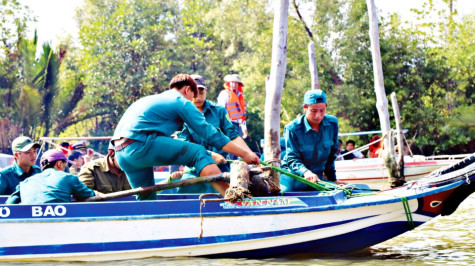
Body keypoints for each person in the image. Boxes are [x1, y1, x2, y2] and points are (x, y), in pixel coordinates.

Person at [111, 74, 260, 200]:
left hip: (121, 155)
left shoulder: (150, 100)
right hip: (141, 145)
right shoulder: (180, 101)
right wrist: (245, 154)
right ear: (188, 90)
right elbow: (211, 134)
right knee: (199, 152)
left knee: (146, 197)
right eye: (192, 97)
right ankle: (234, 198)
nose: (193, 102)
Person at [175, 74, 253, 193]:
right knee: (184, 196)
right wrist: (211, 155)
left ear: (206, 91)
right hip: (194, 170)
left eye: (201, 92)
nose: (198, 97)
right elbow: (184, 145)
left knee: (233, 194)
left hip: (220, 168)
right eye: (194, 93)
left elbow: (233, 135)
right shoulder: (181, 114)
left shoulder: (219, 111)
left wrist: (249, 154)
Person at [281, 89, 345, 192]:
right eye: (314, 111)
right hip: (292, 176)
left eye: (322, 110)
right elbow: (292, 158)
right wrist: (305, 172)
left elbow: (331, 155)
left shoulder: (332, 123)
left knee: (340, 191)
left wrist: (333, 179)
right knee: (286, 193)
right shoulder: (292, 128)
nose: (318, 115)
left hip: (317, 178)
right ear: (305, 108)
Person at [5, 149, 98, 204]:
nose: (66, 168)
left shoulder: (24, 183)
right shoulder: (68, 178)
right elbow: (90, 195)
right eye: (66, 165)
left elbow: (9, 205)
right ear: (59, 164)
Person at [217, 74, 248, 139]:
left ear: (239, 84)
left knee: (239, 145)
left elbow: (242, 114)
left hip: (238, 126)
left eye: (236, 83)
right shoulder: (225, 94)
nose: (234, 84)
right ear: (229, 83)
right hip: (228, 124)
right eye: (232, 82)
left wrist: (244, 128)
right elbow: (221, 110)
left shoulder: (240, 97)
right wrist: (226, 124)